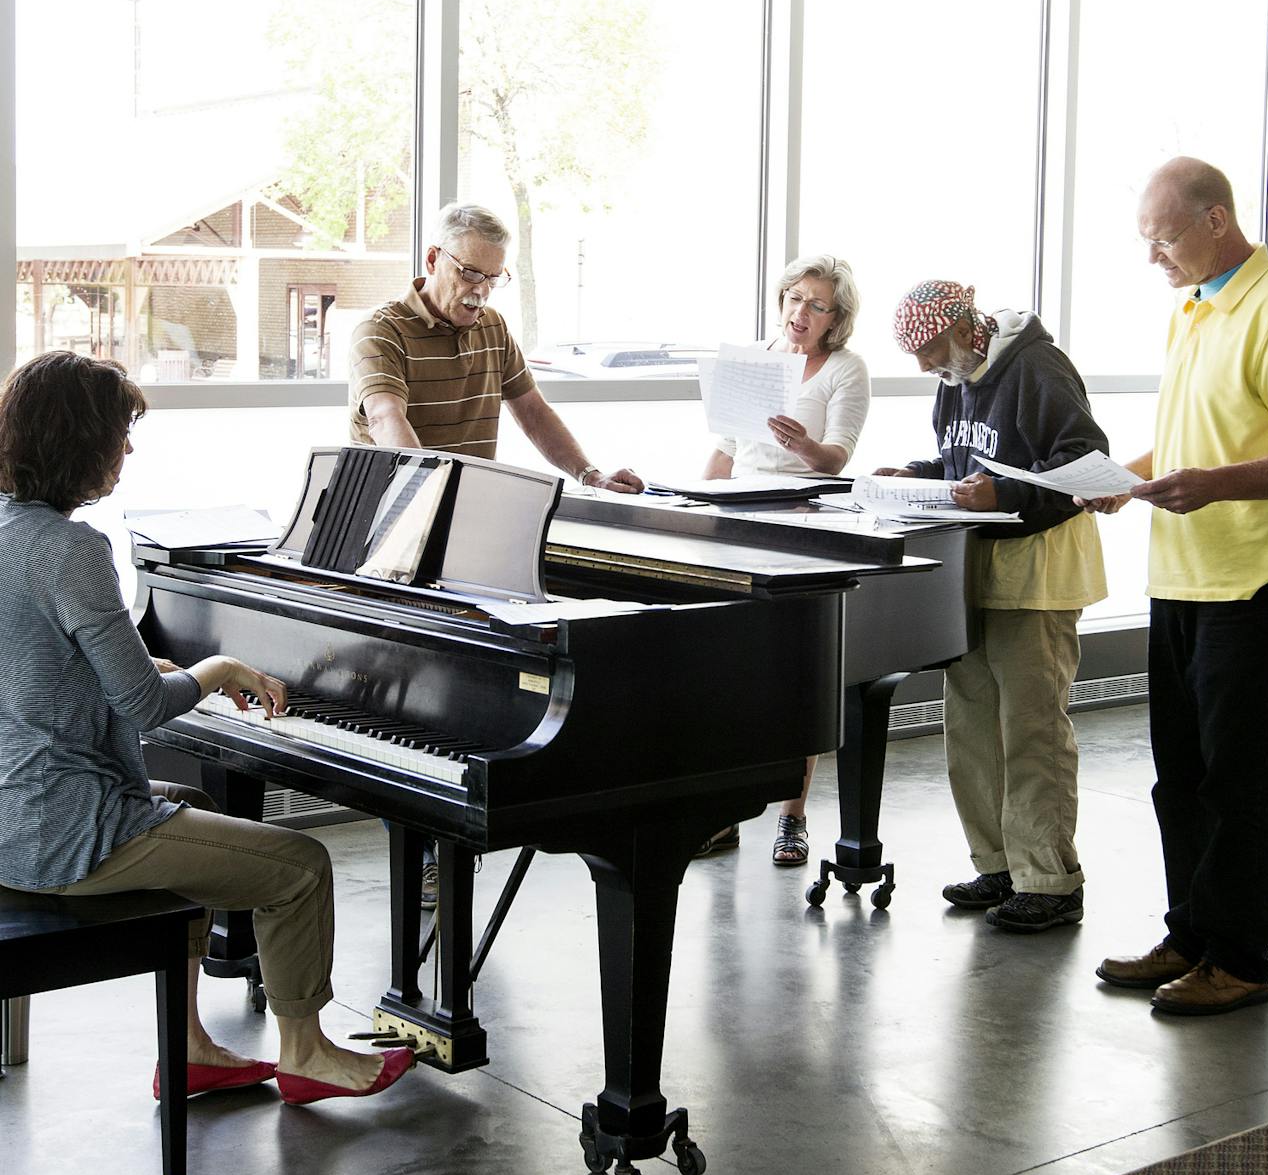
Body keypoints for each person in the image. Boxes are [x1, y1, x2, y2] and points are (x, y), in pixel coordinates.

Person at [0, 351, 414, 1105]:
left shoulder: (8, 531)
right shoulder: (72, 549)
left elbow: (39, 665)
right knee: (300, 865)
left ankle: (189, 1048)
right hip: (65, 832)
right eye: (119, 433)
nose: (128, 449)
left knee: (211, 814)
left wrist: (134, 661)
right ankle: (308, 1053)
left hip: (10, 815)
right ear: (78, 439)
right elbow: (146, 708)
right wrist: (219, 669)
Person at [1086, 158, 1268, 1016]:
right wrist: (1127, 474)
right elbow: (1193, 437)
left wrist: (1215, 485)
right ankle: (1191, 933)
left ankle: (1240, 961)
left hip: (1252, 584)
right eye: (1146, 242)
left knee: (1238, 783)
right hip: (1181, 576)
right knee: (1179, 775)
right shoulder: (1193, 308)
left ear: (1217, 221)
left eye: (1163, 239)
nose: (1153, 258)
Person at [349, 201, 644, 906]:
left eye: (494, 276)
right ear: (432, 261)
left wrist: (590, 473)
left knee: (464, 692)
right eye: (468, 272)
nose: (480, 289)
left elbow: (533, 410)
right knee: (409, 696)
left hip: (469, 532)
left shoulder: (493, 330)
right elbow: (390, 419)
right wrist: (428, 498)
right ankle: (419, 843)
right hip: (390, 533)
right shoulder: (379, 331)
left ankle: (456, 836)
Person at [878, 280, 1109, 932]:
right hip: (973, 570)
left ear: (963, 326)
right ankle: (999, 863)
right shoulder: (954, 375)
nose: (924, 366)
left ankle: (1049, 877)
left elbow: (1085, 461)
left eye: (929, 349)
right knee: (972, 722)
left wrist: (1001, 492)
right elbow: (964, 461)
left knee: (1032, 726)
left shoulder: (1037, 366)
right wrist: (922, 475)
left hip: (1037, 571)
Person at [695, 254, 870, 866]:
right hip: (739, 520)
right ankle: (724, 814)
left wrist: (802, 442)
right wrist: (692, 511)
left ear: (836, 317)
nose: (801, 312)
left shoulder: (846, 369)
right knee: (729, 673)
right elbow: (724, 450)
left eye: (817, 304)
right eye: (795, 297)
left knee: (800, 677)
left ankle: (791, 818)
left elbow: (837, 460)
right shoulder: (754, 360)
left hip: (802, 527)